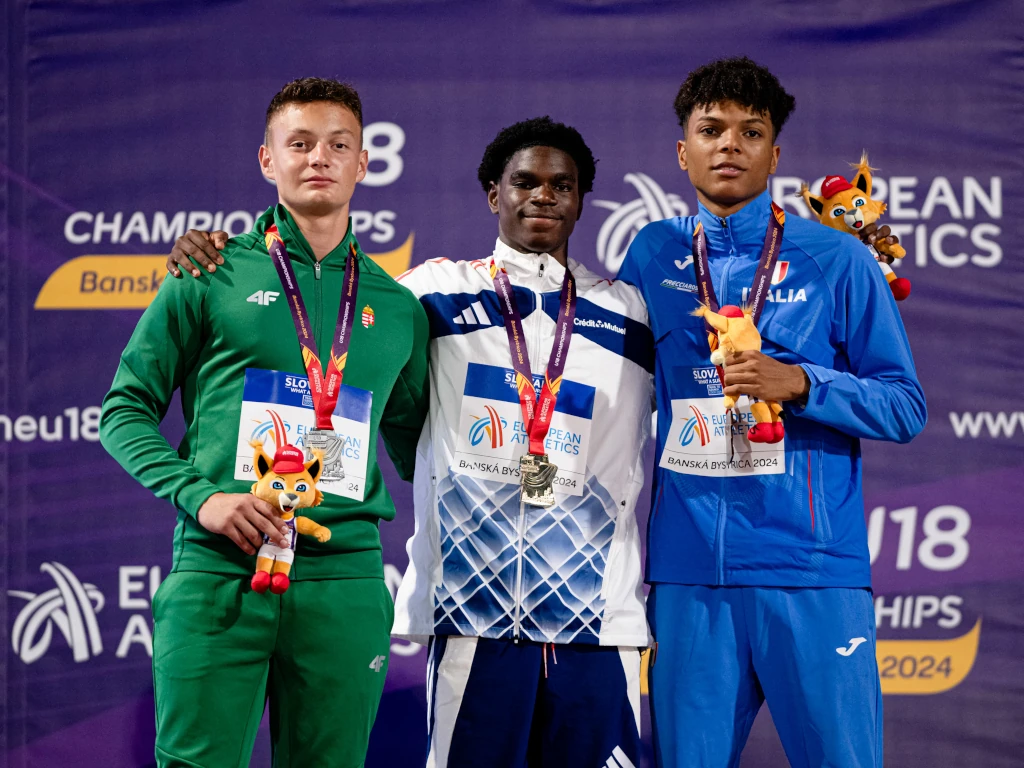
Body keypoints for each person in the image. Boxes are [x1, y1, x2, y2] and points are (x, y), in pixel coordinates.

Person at [167, 116, 655, 768]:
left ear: (581, 200)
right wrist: (225, 253)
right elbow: (328, 310)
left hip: (598, 616)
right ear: (494, 193)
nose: (543, 196)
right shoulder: (428, 294)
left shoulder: (631, 313)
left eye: (562, 185)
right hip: (471, 613)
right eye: (525, 182)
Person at [101, 77, 429, 767]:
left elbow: (426, 442)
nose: (319, 158)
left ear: (364, 163)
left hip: (344, 580)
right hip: (219, 566)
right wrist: (203, 498)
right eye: (299, 143)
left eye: (338, 144)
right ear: (267, 159)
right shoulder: (210, 272)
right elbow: (123, 410)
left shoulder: (398, 306)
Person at [616, 57, 927, 768]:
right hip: (690, 576)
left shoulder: (836, 259)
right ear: (683, 151)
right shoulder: (652, 252)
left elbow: (904, 405)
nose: (730, 144)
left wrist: (804, 384)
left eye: (750, 132)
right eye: (711, 130)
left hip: (811, 570)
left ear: (774, 155)